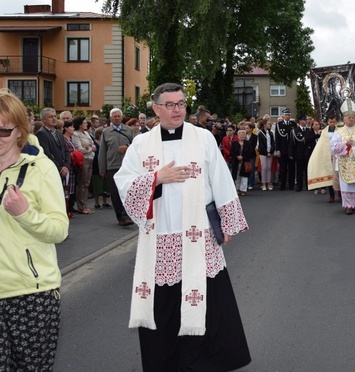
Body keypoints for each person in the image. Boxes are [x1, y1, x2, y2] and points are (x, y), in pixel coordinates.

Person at [115, 82, 251, 371]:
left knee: (206, 303)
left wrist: (227, 223)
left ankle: (203, 364)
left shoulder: (203, 138)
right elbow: (124, 185)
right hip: (160, 236)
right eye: (170, 104)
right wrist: (156, 178)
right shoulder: (141, 144)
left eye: (181, 104)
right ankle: (166, 363)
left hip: (198, 234)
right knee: (164, 309)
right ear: (156, 108)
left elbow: (221, 179)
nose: (177, 110)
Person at [0, 89, 68, 371]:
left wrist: (25, 214)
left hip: (32, 294)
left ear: (20, 131)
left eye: (2, 131)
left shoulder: (41, 168)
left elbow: (59, 230)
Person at [99, 108, 135, 226]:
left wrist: (127, 147)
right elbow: (102, 152)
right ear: (110, 118)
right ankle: (120, 217)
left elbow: (136, 147)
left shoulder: (129, 130)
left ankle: (127, 216)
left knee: (127, 191)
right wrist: (102, 169)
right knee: (115, 193)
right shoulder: (106, 132)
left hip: (127, 166)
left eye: (119, 116)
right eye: (115, 116)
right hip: (112, 166)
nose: (117, 118)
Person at [37, 108, 72, 219]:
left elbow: (66, 150)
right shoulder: (41, 134)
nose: (54, 119)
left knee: (62, 197)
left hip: (63, 169)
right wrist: (59, 168)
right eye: (50, 117)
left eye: (55, 116)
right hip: (52, 171)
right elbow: (47, 154)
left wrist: (66, 166)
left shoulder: (58, 133)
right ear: (43, 120)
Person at [72, 116, 95, 214]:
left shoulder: (86, 133)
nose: (86, 124)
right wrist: (89, 148)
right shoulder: (76, 134)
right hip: (83, 160)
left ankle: (85, 204)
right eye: (84, 123)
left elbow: (93, 145)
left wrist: (89, 147)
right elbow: (80, 149)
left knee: (87, 183)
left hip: (90, 158)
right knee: (82, 183)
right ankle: (81, 206)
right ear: (80, 124)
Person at [231, 128, 254, 195]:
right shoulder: (234, 143)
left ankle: (243, 190)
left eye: (244, 135)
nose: (243, 136)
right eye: (241, 134)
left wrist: (243, 157)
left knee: (244, 176)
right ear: (238, 135)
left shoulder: (248, 143)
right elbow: (232, 153)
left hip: (245, 162)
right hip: (236, 161)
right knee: (237, 176)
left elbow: (250, 152)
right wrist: (237, 156)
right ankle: (237, 189)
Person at [257, 119, 275, 190]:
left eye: (270, 124)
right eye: (268, 124)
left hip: (270, 153)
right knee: (264, 168)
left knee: (269, 168)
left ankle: (269, 183)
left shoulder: (271, 133)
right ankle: (263, 183)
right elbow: (260, 145)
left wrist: (270, 152)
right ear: (264, 124)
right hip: (263, 153)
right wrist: (266, 153)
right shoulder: (260, 133)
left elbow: (273, 143)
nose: (269, 125)